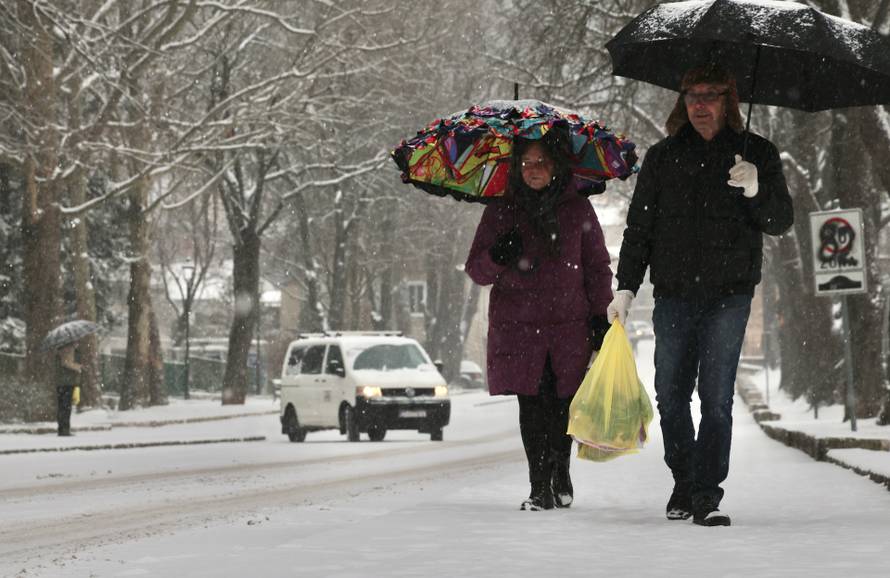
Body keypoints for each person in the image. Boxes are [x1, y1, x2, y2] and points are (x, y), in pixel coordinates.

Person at [608, 64, 794, 526]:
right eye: (692, 95)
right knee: (670, 394)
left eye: (711, 95)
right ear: (681, 101)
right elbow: (640, 228)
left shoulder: (756, 154)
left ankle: (706, 493)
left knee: (715, 398)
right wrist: (626, 286)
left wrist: (755, 188)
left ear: (728, 100)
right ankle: (684, 479)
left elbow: (780, 221)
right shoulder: (663, 158)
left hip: (730, 295)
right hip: (672, 294)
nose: (700, 105)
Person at [465, 127, 613, 511]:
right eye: (526, 162)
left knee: (563, 404)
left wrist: (601, 316)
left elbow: (597, 266)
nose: (533, 169)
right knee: (531, 406)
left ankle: (560, 471)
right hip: (519, 329)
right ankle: (537, 487)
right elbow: (477, 271)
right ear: (517, 166)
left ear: (556, 166)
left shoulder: (577, 208)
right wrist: (498, 253)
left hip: (568, 327)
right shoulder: (501, 210)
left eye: (541, 162)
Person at [55, 343, 82, 436]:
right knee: (66, 407)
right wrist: (78, 367)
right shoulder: (68, 348)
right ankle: (65, 429)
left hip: (60, 382)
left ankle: (61, 428)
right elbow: (66, 363)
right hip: (67, 382)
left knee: (62, 406)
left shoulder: (60, 348)